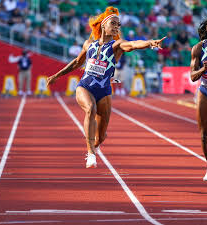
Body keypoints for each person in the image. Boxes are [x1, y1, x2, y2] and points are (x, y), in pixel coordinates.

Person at [47, 6, 166, 168]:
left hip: (104, 91)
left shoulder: (117, 45)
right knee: (90, 109)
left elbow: (133, 44)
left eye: (119, 24)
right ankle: (91, 154)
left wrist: (150, 43)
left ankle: (94, 145)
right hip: (85, 86)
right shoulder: (88, 44)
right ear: (103, 25)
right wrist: (57, 75)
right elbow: (76, 62)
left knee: (101, 137)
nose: (117, 26)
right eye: (113, 23)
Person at [190, 16, 207, 181]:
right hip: (205, 90)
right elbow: (192, 76)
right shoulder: (198, 48)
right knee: (203, 135)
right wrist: (202, 70)